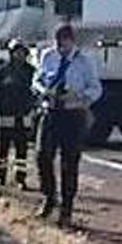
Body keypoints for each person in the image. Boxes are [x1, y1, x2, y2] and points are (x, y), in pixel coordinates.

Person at [35, 24, 102, 228]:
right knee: (42, 155)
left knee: (69, 163)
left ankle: (67, 208)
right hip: (51, 111)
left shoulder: (84, 61)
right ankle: (49, 196)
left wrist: (79, 97)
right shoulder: (48, 56)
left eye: (63, 43)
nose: (59, 47)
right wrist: (43, 90)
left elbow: (96, 89)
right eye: (57, 43)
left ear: (72, 41)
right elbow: (37, 79)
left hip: (73, 114)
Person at [0, 42, 37, 189]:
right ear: (11, 53)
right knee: (3, 149)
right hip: (6, 114)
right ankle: (1, 176)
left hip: (23, 115)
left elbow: (34, 92)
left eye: (22, 53)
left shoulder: (31, 71)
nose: (20, 55)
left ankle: (21, 179)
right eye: (17, 52)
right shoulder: (3, 71)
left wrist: (32, 110)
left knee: (22, 149)